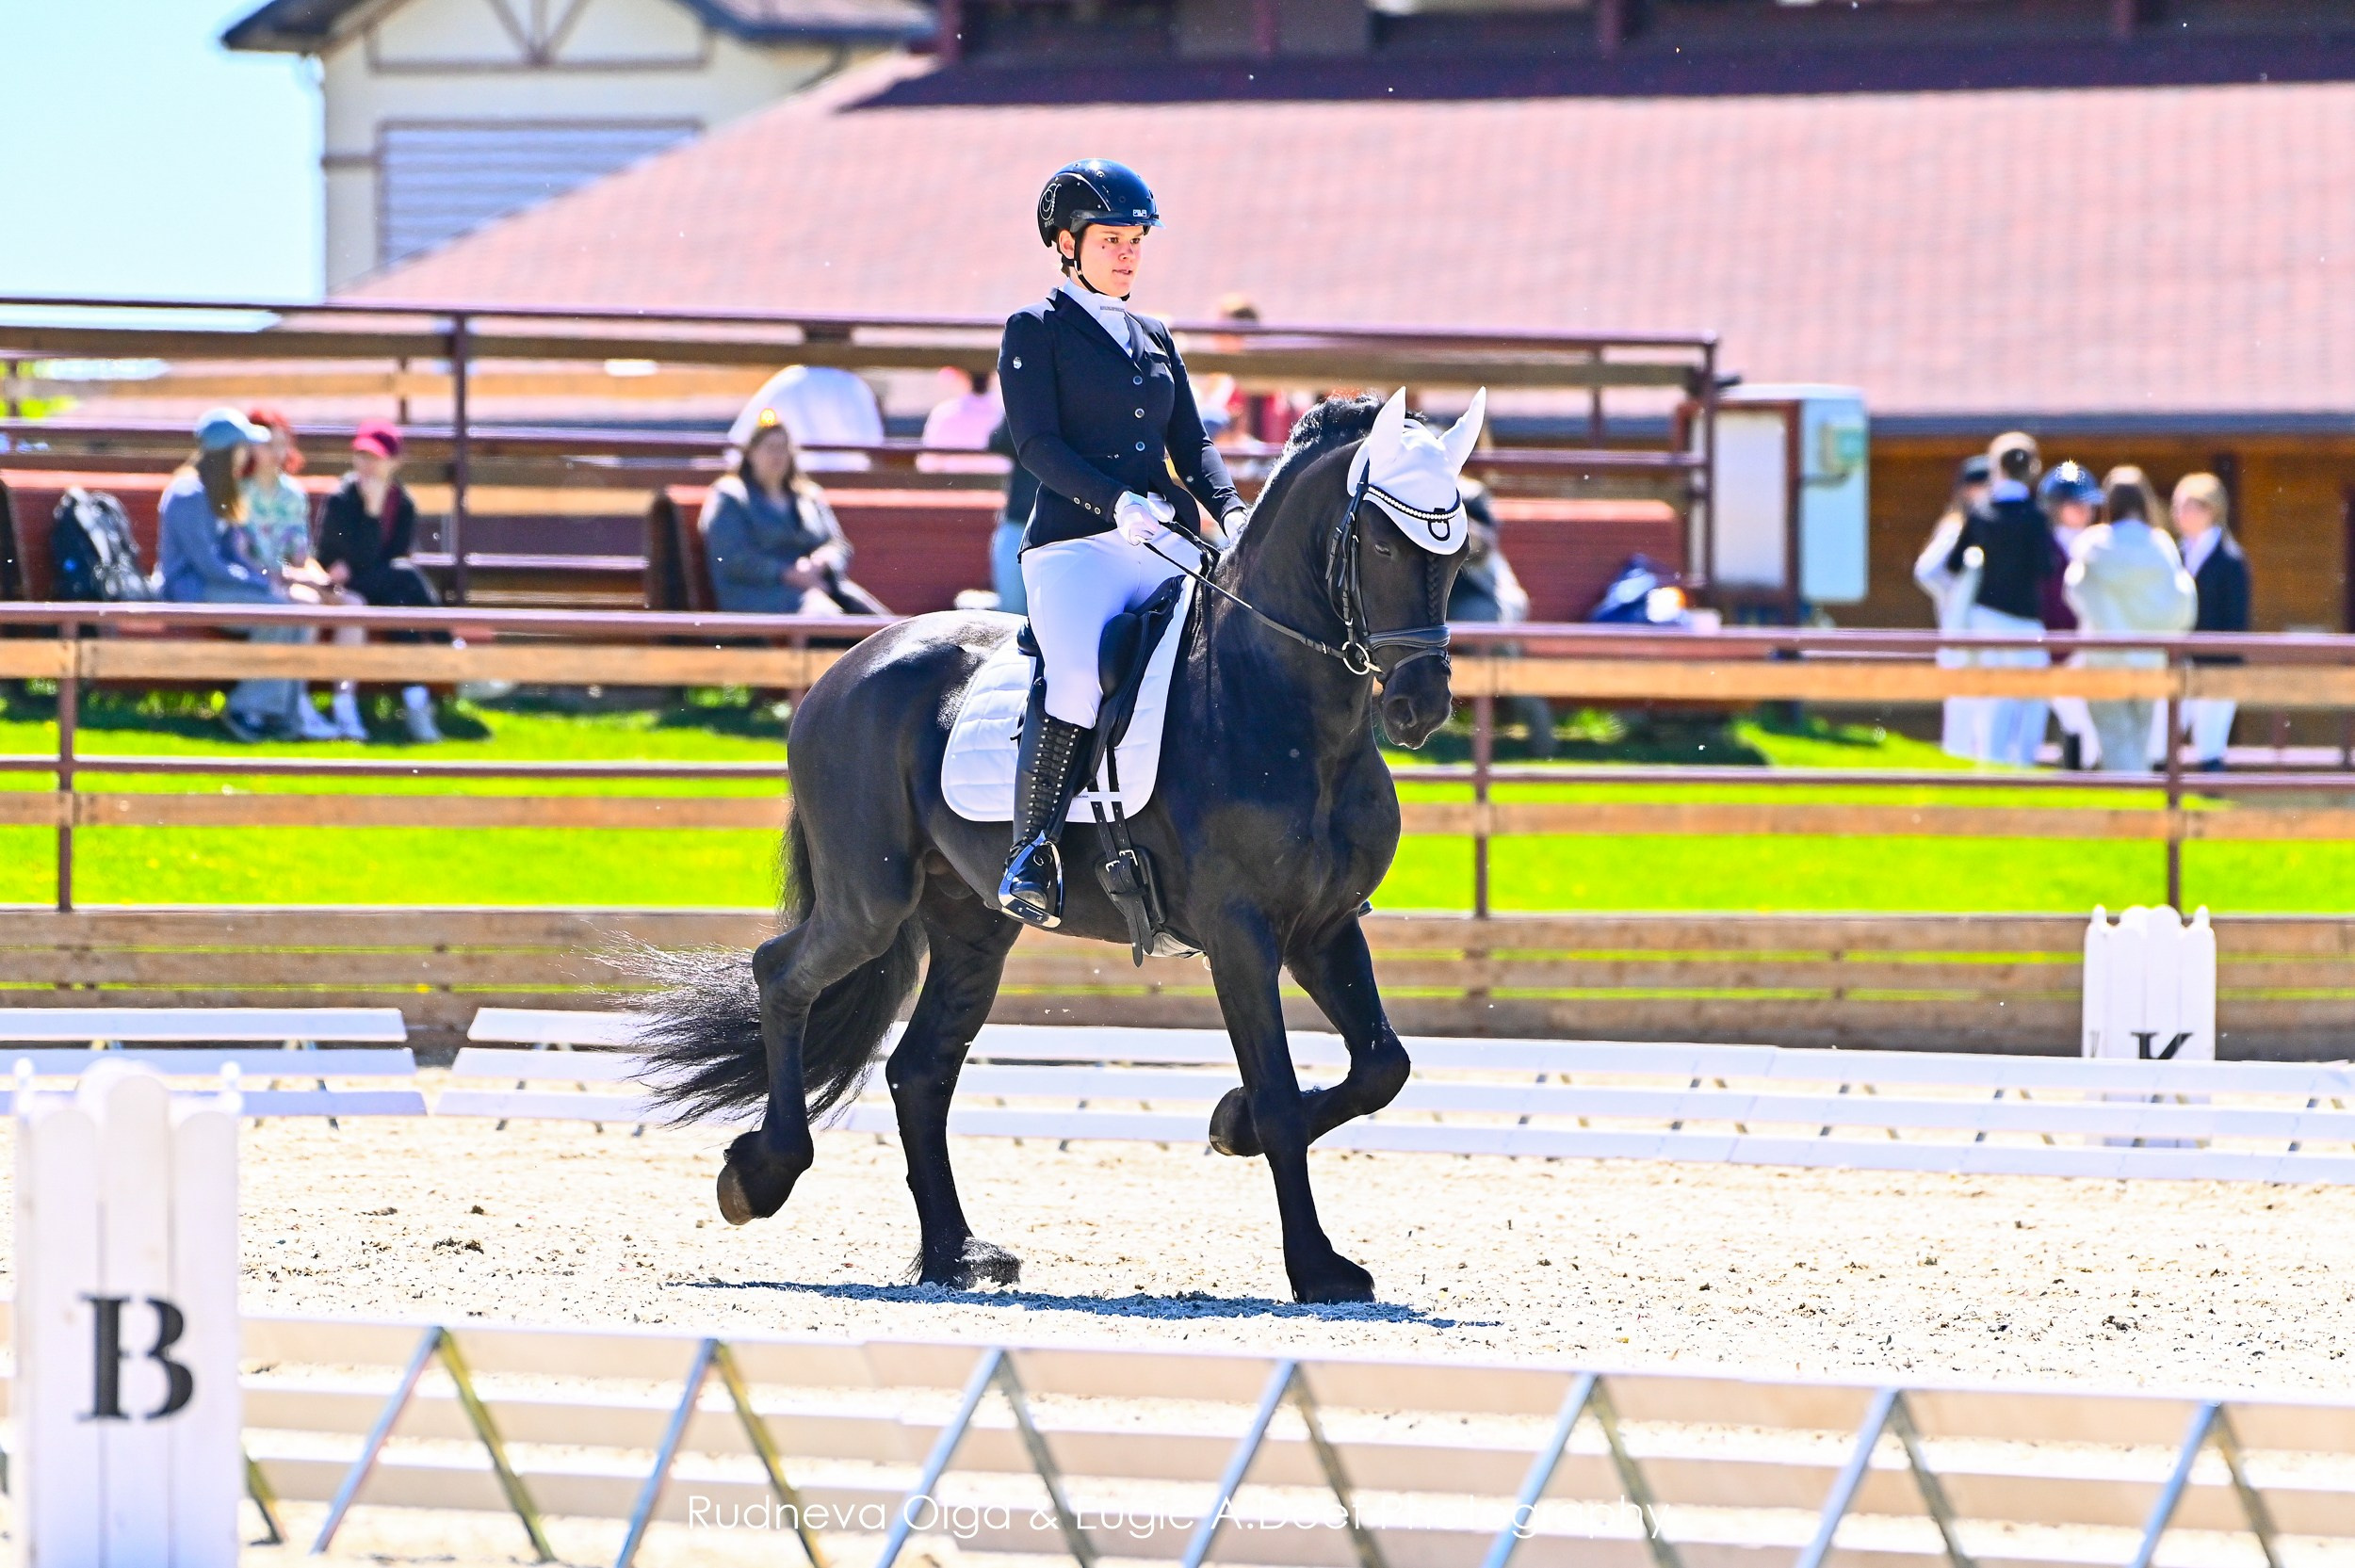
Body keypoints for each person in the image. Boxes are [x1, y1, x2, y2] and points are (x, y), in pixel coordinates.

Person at [993, 159, 1246, 928]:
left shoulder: (1154, 334)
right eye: (1111, 239)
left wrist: (1231, 511)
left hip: (1159, 539)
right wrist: (1114, 502)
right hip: (1076, 549)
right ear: (1067, 245)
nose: (1129, 252)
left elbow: (1191, 441)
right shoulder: (1034, 330)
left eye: (1136, 239)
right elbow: (1035, 445)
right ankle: (1029, 853)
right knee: (1075, 681)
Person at [157, 408, 317, 742]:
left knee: (298, 613)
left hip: (218, 587)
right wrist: (261, 584)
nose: (247, 453)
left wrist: (268, 581)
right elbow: (207, 565)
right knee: (280, 613)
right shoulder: (188, 494)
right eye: (243, 446)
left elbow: (233, 552)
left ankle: (281, 715)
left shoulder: (222, 488)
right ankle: (245, 708)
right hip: (192, 591)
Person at [317, 420, 444, 743]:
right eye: (361, 455)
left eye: (375, 457)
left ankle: (416, 700)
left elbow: (384, 558)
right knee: (404, 576)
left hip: (381, 589)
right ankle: (447, 645)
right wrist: (371, 513)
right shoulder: (342, 500)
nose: (367, 464)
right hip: (340, 590)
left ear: (395, 462)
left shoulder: (403, 504)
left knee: (400, 602)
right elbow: (338, 563)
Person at [2065, 477, 2197, 772]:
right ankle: (2139, 799)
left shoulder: (2094, 543)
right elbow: (2182, 599)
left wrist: (2109, 620)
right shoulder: (2161, 545)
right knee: (2141, 732)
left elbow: (2075, 590)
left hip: (2104, 658)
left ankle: (2127, 801)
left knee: (2113, 735)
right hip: (2150, 657)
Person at [241, 409, 353, 740]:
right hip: (253, 581)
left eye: (282, 445)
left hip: (287, 578)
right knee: (301, 605)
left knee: (338, 602)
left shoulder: (292, 495)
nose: (277, 454)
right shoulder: (237, 492)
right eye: (268, 445)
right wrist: (289, 579)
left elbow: (300, 554)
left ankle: (311, 702)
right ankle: (294, 702)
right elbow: (242, 556)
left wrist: (321, 582)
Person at [1944, 433, 2052, 767]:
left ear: (1996, 468)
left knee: (1994, 694)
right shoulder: (2036, 516)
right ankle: (2024, 762)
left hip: (1986, 616)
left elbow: (1952, 563)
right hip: (2024, 618)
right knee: (2032, 693)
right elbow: (2045, 567)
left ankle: (1991, 764)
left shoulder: (1980, 511)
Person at [701, 413, 856, 616]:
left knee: (880, 624)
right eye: (770, 448)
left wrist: (821, 562)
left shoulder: (808, 496)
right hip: (757, 595)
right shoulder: (731, 497)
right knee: (825, 616)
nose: (778, 455)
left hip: (818, 585)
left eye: (783, 448)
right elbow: (733, 558)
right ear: (750, 453)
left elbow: (839, 544)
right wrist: (787, 573)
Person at [1448, 480, 1553, 756]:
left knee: (1497, 651)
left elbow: (1482, 547)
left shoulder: (1469, 492)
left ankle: (1541, 739)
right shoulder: (1401, 487)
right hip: (1433, 608)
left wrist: (1447, 519)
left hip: (1483, 601)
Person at [2170, 471, 2250, 770]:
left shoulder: (2231, 560)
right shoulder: (2173, 555)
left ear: (2212, 510)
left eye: (2190, 506)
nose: (2181, 514)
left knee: (2210, 747)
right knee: (2161, 745)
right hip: (2178, 664)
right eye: (2178, 506)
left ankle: (2213, 814)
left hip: (2217, 666)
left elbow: (2236, 623)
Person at [1915, 454, 1990, 758]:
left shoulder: (1987, 526)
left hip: (1982, 634)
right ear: (1966, 490)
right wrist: (1960, 595)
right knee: (1961, 720)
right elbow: (1926, 571)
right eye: (1979, 485)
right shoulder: (1956, 529)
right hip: (1959, 637)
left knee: (1986, 721)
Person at [2037, 461, 2103, 769]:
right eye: (2076, 503)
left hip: (2091, 650)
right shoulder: (2044, 546)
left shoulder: (2097, 544)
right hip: (2052, 649)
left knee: (2088, 729)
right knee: (2074, 723)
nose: (2085, 511)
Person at [728, 364, 885, 473]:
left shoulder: (784, 382)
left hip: (794, 488)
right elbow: (873, 444)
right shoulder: (854, 386)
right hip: (804, 490)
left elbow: (737, 446)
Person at [986, 415, 1037, 614]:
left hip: (1073, 527)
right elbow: (999, 441)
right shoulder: (1033, 393)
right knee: (1011, 615)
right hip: (1020, 520)